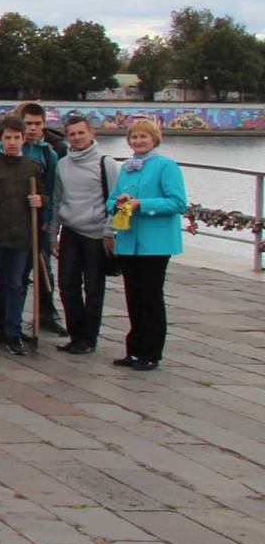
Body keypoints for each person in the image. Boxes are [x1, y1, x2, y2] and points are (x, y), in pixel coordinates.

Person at [107, 117, 186, 371]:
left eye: (143, 137)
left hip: (155, 244)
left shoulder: (166, 166)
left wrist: (144, 204)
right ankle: (134, 349)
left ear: (154, 139)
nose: (138, 141)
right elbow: (110, 201)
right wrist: (119, 202)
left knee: (151, 296)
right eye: (134, 137)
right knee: (133, 297)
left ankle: (152, 352)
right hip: (129, 241)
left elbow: (177, 202)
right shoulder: (127, 167)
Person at [0, 116, 46, 356]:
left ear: (24, 139)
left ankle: (12, 332)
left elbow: (45, 196)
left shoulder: (32, 167)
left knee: (15, 285)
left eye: (17, 138)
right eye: (8, 138)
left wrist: (41, 200)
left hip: (22, 234)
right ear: (1, 140)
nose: (12, 142)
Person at [53, 114, 114, 355]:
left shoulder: (105, 163)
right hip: (70, 231)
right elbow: (58, 198)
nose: (77, 138)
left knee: (93, 288)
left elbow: (114, 199)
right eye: (72, 134)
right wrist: (52, 234)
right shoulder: (63, 164)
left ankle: (89, 338)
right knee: (67, 285)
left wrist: (109, 231)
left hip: (96, 234)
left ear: (91, 133)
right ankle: (75, 334)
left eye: (81, 133)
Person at [15, 102, 68, 337]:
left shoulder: (49, 153)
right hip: (13, 219)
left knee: (43, 269)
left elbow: (52, 189)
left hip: (39, 220)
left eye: (37, 124)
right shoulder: (11, 146)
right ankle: (10, 317)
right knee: (16, 273)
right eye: (29, 124)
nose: (33, 128)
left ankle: (46, 314)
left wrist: (47, 219)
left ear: (44, 125)